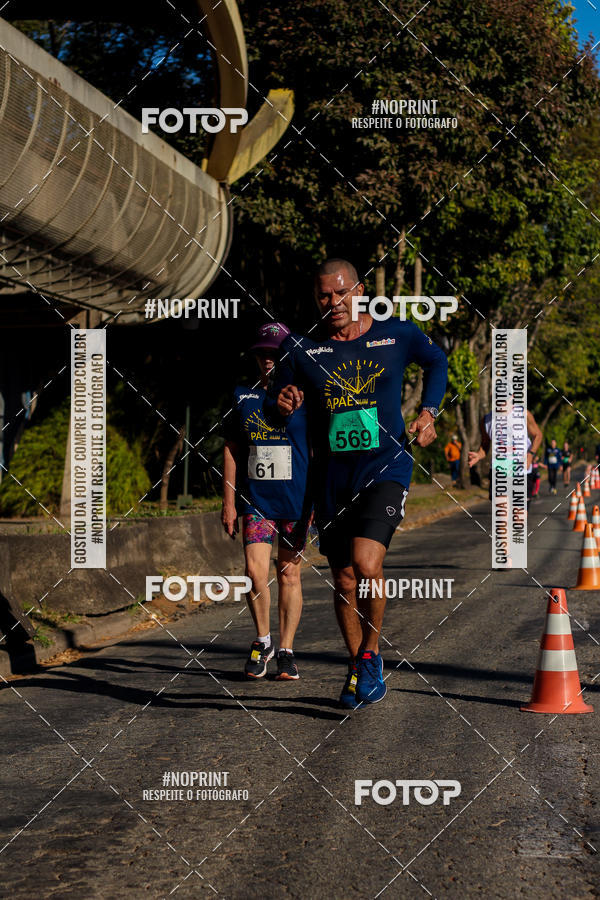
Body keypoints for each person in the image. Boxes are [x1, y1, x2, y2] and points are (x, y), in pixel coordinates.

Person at [268, 259, 448, 708]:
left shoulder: (397, 334)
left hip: (385, 467)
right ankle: (358, 667)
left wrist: (429, 412)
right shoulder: (303, 349)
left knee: (367, 565)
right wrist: (284, 402)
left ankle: (370, 655)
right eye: (325, 296)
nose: (334, 303)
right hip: (332, 477)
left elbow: (437, 360)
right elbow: (277, 403)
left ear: (360, 290)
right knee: (344, 578)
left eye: (342, 293)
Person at [221, 323, 311, 681]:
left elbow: (321, 449)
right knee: (253, 573)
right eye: (263, 354)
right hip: (255, 499)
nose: (269, 361)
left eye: (276, 354)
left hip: (297, 499)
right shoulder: (243, 395)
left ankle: (286, 650)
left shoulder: (308, 396)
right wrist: (228, 502)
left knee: (288, 573)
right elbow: (232, 448)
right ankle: (263, 640)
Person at [468, 407, 543, 508]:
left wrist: (530, 454)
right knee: (501, 518)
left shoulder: (523, 414)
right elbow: (485, 444)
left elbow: (538, 435)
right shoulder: (486, 420)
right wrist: (479, 455)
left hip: (521, 471)